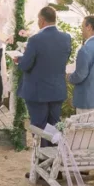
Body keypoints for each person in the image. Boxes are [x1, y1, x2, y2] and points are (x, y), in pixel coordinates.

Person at [18, 7, 72, 141]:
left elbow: (25, 65)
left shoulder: (35, 40)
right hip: (57, 90)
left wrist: (20, 59)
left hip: (38, 92)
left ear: (41, 21)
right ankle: (52, 158)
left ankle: (41, 158)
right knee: (54, 127)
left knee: (39, 126)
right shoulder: (66, 38)